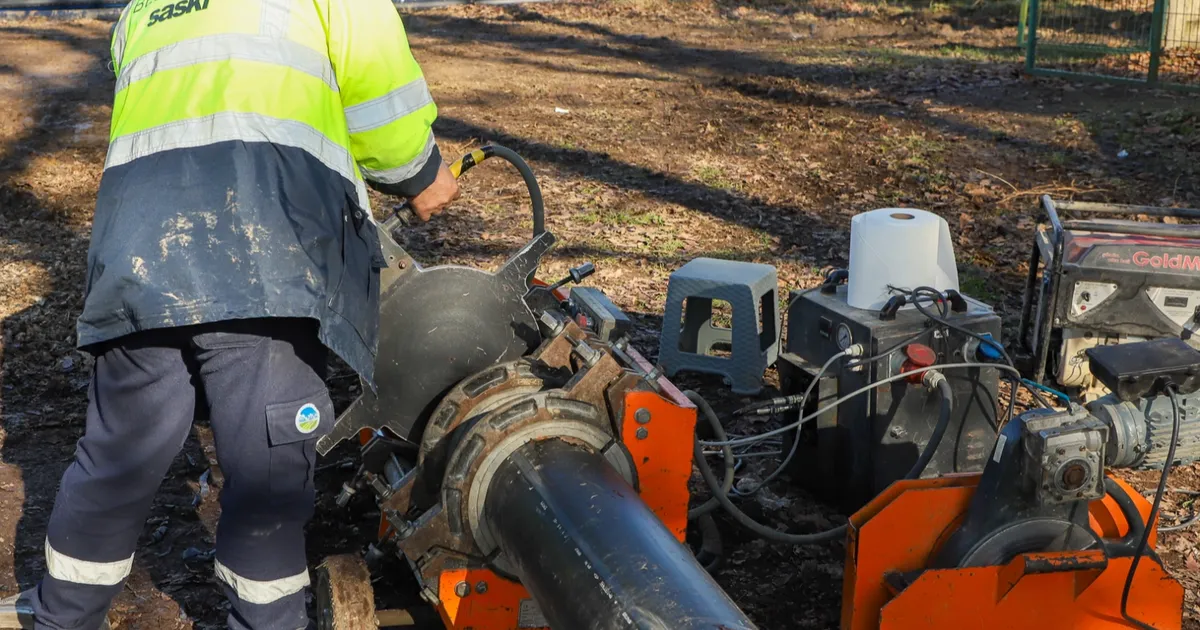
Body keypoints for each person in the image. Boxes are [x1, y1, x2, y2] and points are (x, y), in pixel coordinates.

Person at [0, 0, 458, 626]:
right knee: (266, 471)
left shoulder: (144, 9)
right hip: (264, 249)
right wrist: (423, 173)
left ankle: (60, 616)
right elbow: (383, 107)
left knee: (117, 455)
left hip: (139, 251)